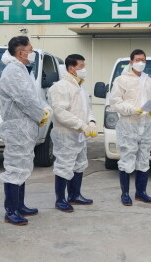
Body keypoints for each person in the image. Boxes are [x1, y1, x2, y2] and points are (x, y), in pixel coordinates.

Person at [0, 36, 51, 226]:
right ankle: (10, 211)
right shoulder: (13, 72)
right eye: (31, 49)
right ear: (21, 53)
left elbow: (34, 97)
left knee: (23, 166)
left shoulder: (21, 70)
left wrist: (44, 110)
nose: (33, 53)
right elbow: (25, 99)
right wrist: (40, 114)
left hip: (24, 126)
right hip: (17, 127)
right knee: (15, 168)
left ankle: (20, 205)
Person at [109, 49, 151, 206]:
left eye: (143, 60)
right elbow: (115, 102)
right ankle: (125, 194)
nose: (141, 63)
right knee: (127, 157)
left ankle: (141, 192)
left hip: (146, 124)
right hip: (129, 124)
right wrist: (132, 109)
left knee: (144, 157)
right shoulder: (121, 80)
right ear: (131, 62)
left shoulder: (148, 80)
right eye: (138, 60)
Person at [48, 54, 97, 212]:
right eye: (81, 66)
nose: (84, 69)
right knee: (64, 165)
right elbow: (60, 112)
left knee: (79, 164)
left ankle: (75, 195)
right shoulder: (60, 87)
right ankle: (60, 200)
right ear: (71, 68)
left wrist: (91, 122)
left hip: (80, 134)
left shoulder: (81, 87)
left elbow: (87, 108)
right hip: (66, 134)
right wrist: (82, 125)